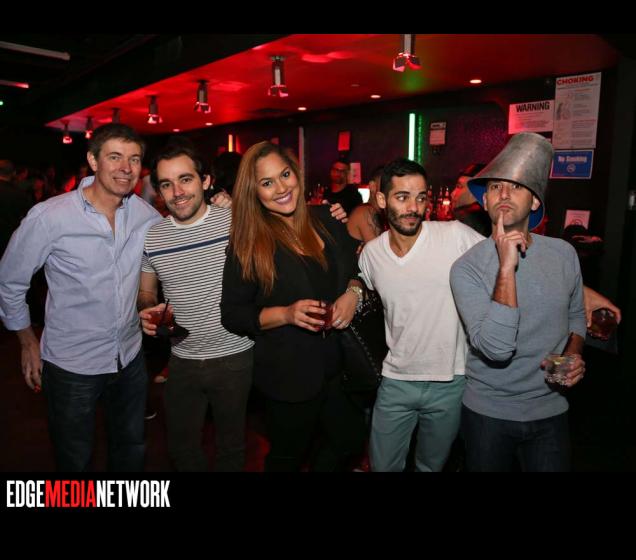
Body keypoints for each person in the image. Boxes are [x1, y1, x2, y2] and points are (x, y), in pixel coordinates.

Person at [0, 123, 162, 472]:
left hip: (129, 358)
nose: (126, 168)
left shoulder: (146, 216)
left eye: (134, 159)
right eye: (115, 157)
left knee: (131, 449)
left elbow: (179, 240)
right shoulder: (50, 217)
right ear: (93, 160)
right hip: (72, 364)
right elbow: (10, 281)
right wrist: (27, 341)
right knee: (74, 460)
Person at [220, 141, 365, 471]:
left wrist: (353, 293)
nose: (281, 188)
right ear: (254, 191)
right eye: (267, 182)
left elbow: (358, 270)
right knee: (288, 458)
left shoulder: (327, 218)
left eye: (285, 175)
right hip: (289, 374)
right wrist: (285, 314)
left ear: (297, 174)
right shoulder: (248, 243)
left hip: (339, 367)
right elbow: (233, 314)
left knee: (350, 441)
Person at [450, 132, 587, 472]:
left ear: (535, 202)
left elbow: (576, 316)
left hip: (550, 410)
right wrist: (506, 269)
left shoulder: (564, 254)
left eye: (516, 186)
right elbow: (496, 349)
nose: (504, 194)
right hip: (488, 414)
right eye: (495, 186)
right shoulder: (466, 268)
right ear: (484, 201)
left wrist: (573, 354)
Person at [358, 158, 485, 472]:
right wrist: (352, 289)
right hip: (395, 380)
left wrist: (577, 289)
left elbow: (505, 264)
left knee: (431, 466)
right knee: (383, 466)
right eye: (402, 197)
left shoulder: (455, 236)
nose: (413, 207)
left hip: (450, 381)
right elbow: (361, 285)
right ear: (382, 200)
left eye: (420, 197)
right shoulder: (371, 254)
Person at [137, 141, 254, 471]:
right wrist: (148, 308)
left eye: (185, 179)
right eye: (166, 184)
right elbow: (146, 291)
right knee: (182, 450)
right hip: (181, 361)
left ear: (205, 181)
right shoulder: (153, 237)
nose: (177, 192)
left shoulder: (236, 222)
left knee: (231, 450)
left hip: (235, 357)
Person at [346, 165, 386, 244]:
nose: (389, 188)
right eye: (385, 184)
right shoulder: (365, 212)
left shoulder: (382, 214)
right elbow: (377, 250)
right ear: (372, 186)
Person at [450, 162, 491, 237]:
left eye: (459, 187)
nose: (452, 193)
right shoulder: (491, 218)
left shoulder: (466, 219)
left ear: (475, 192)